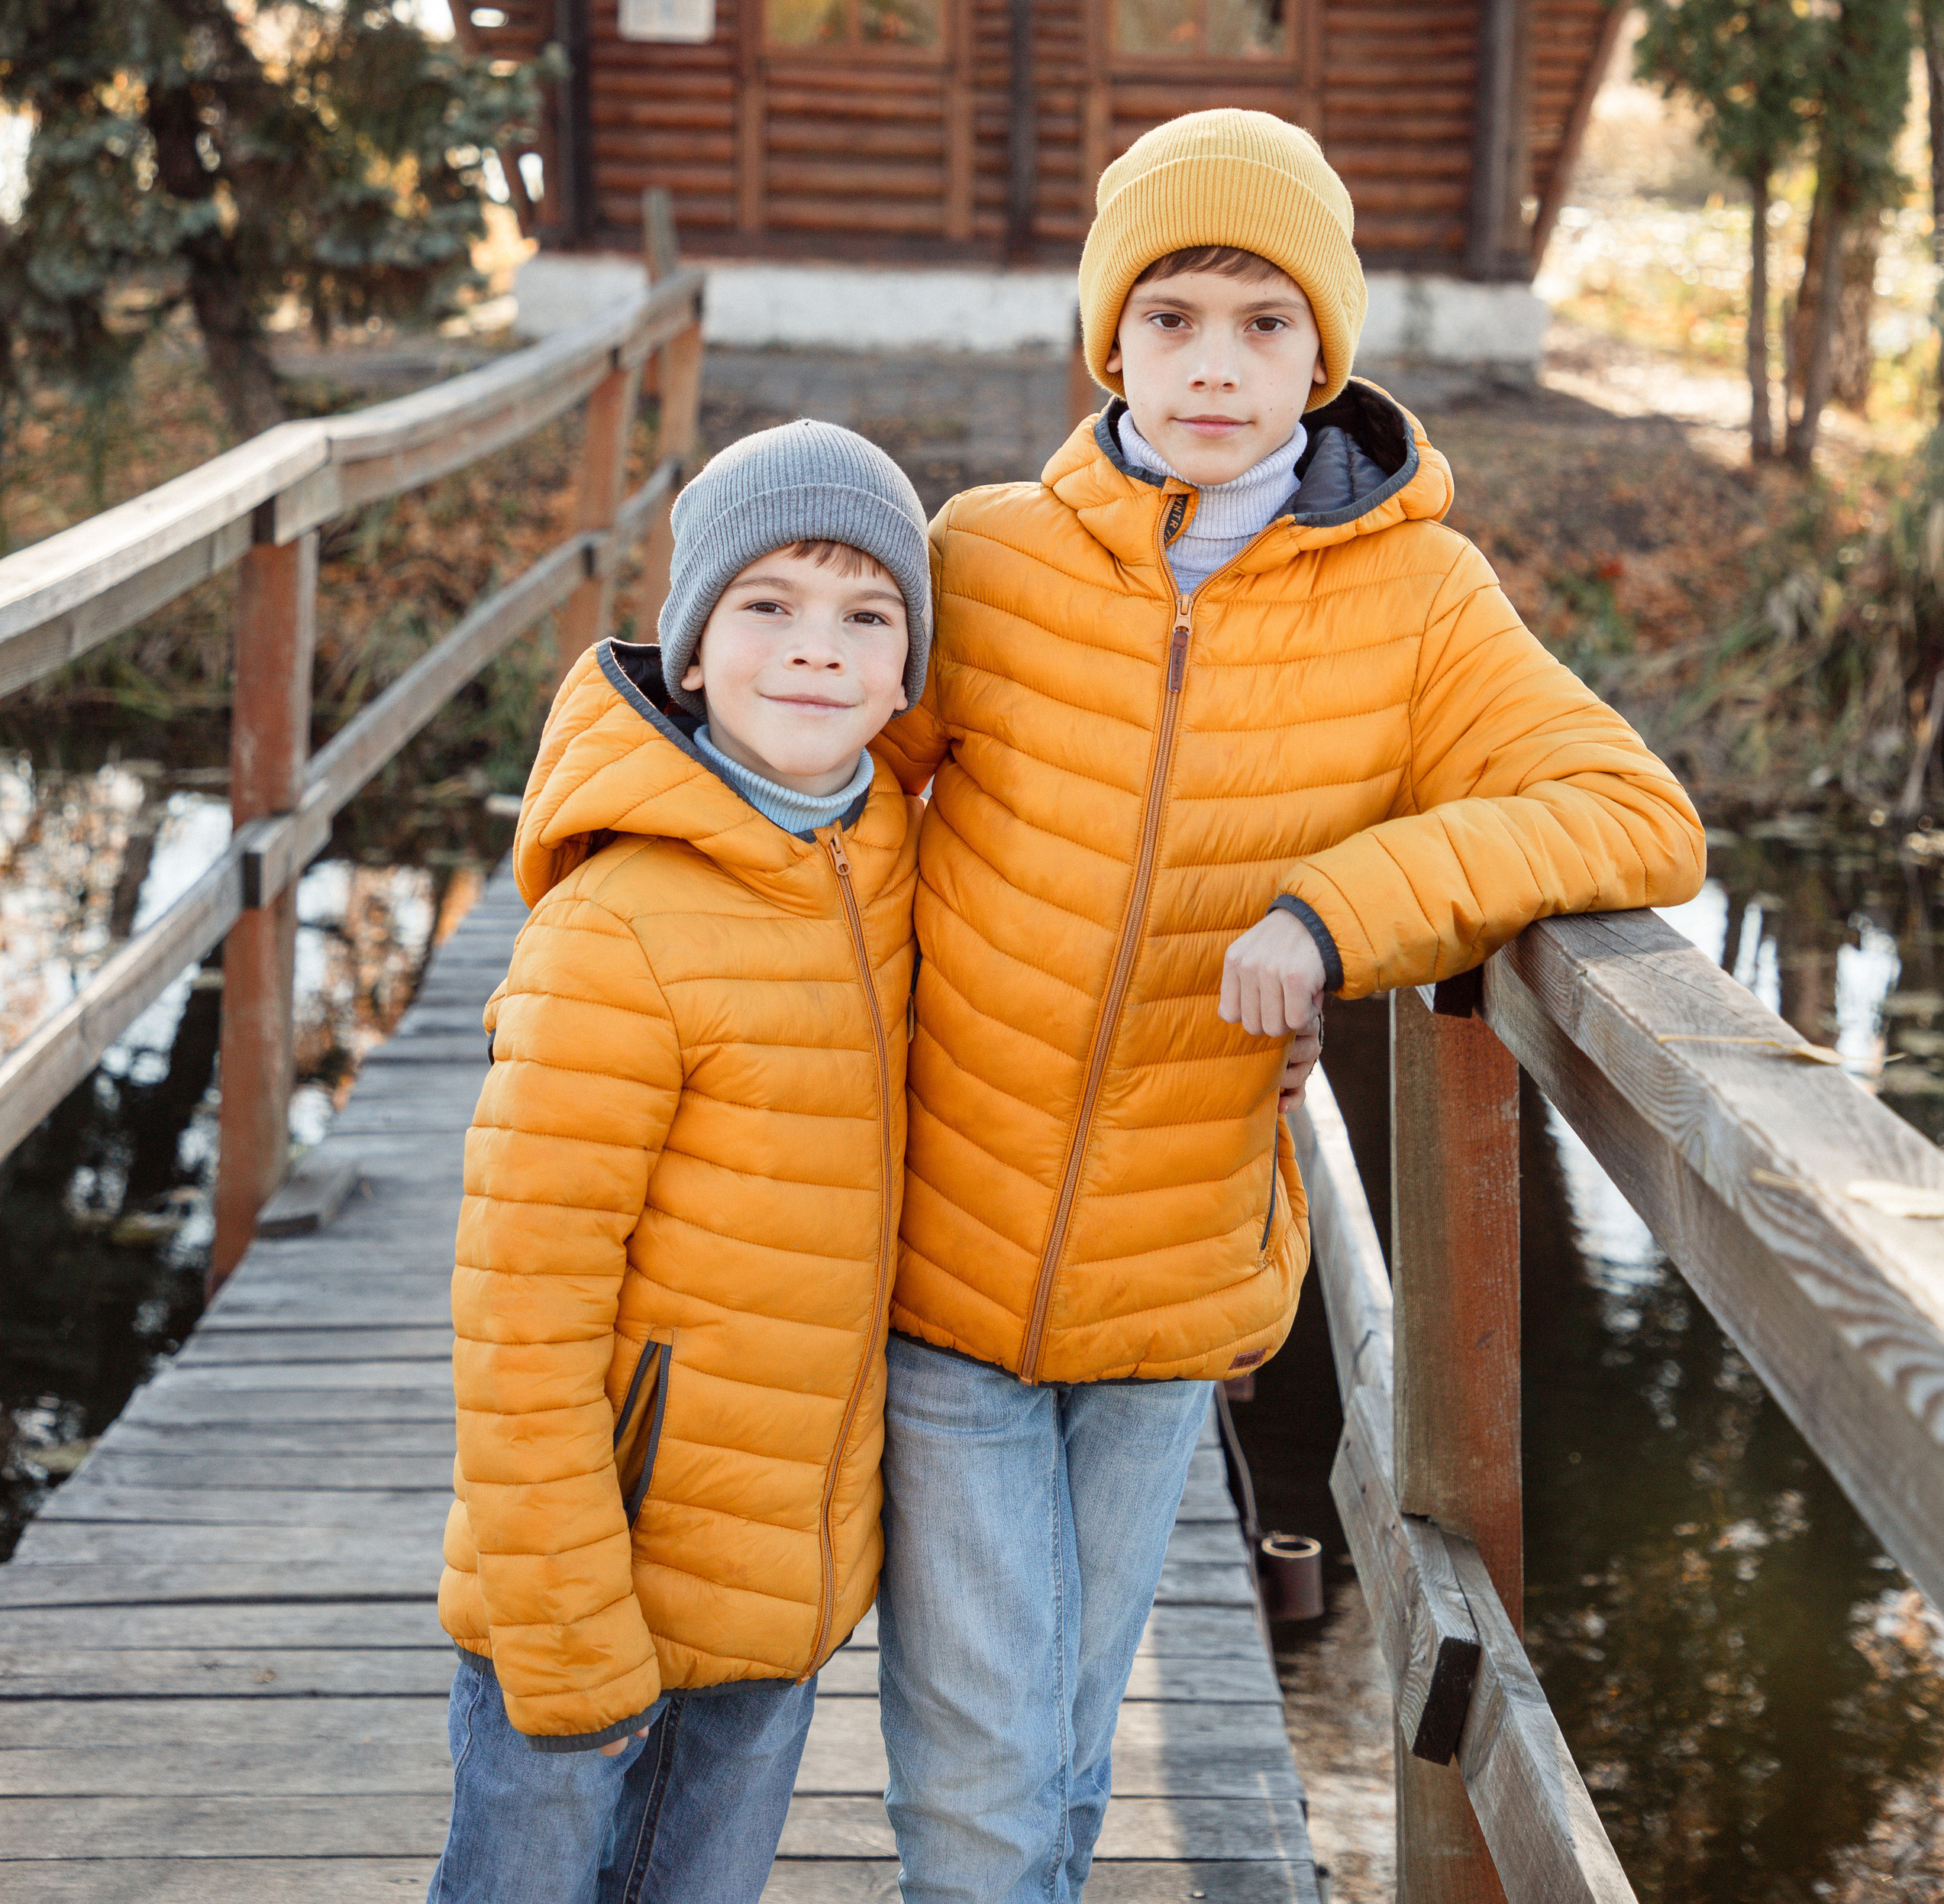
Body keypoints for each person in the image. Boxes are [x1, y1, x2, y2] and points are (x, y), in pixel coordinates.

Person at [874, 105, 1706, 1904]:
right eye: (1169, 318)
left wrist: (1340, 910)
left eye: (1264, 324)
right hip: (936, 1254)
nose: (1214, 368)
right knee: (975, 1783)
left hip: (1177, 1285)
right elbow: (819, 787)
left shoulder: (1414, 600)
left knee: (1062, 1758)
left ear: (1323, 350)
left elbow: (1631, 811)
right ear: (1109, 338)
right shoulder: (987, 560)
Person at [428, 420, 932, 1904]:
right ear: (691, 650)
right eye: (765, 606)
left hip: (775, 1592)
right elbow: (518, 1317)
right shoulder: (617, 929)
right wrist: (570, 1629)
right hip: (591, 1591)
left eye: (865, 615)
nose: (816, 652)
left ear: (906, 673)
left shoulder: (895, 858)